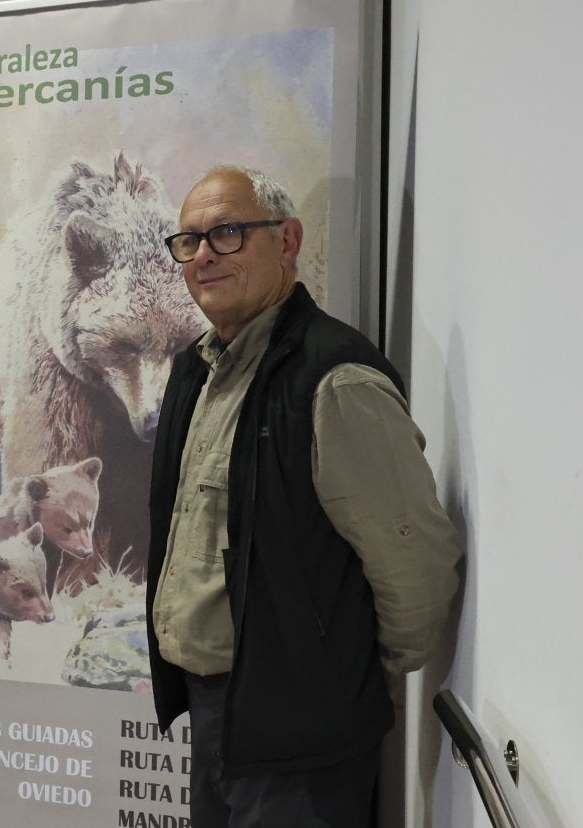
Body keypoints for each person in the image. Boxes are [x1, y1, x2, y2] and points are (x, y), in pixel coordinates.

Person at [145, 165, 462, 828]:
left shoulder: (333, 379)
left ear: (286, 240)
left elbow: (417, 564)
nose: (203, 255)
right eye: (189, 240)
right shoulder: (194, 373)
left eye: (227, 233)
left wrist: (345, 679)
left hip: (300, 737)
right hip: (215, 714)